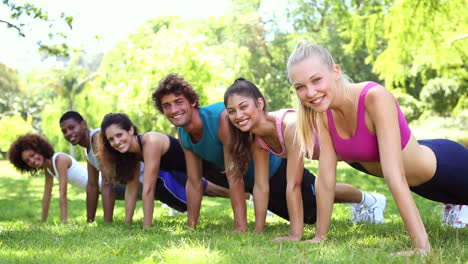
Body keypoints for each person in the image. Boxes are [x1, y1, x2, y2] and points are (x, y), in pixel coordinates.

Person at [287, 42, 468, 255]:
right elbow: (325, 181)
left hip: (451, 170)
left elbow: (395, 175)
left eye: (316, 80)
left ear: (336, 71)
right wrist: (320, 237)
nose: (310, 92)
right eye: (300, 87)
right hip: (426, 187)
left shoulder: (374, 97)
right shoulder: (324, 115)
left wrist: (421, 245)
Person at [152, 74, 384, 236]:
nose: (174, 110)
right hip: (258, 179)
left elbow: (235, 177)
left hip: (279, 168)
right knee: (307, 216)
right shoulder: (183, 136)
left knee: (316, 197)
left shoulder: (221, 120)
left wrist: (241, 227)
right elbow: (194, 182)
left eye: (178, 102)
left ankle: (368, 199)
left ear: (192, 101)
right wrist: (192, 226)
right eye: (167, 106)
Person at [224, 77, 386, 241]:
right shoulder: (258, 140)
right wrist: (258, 231)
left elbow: (293, 184)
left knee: (403, 173)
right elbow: (261, 187)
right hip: (339, 155)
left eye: (243, 107)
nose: (238, 115)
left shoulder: (289, 126)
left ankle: (373, 201)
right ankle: (372, 201)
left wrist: (295, 235)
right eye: (231, 111)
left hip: (353, 146)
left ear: (260, 103)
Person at [98, 113, 232, 227]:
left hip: (210, 163)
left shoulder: (150, 141)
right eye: (111, 139)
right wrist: (127, 223)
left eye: (119, 135)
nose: (116, 141)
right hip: (188, 171)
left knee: (242, 187)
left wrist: (147, 227)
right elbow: (131, 190)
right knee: (217, 189)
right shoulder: (132, 154)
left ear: (131, 130)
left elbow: (148, 189)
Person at [8, 133, 105, 222]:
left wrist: (64, 221)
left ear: (39, 149)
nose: (32, 161)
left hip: (104, 184)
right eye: (27, 161)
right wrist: (43, 221)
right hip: (99, 190)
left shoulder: (60, 159)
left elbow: (63, 194)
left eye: (32, 155)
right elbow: (47, 195)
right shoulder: (48, 168)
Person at [59, 111, 115, 222]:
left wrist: (107, 223)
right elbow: (92, 186)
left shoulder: (97, 138)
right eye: (64, 131)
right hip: (127, 185)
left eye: (71, 127)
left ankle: (108, 221)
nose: (68, 133)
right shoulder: (87, 148)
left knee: (106, 182)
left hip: (148, 180)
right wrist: (89, 221)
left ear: (83, 124)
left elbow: (107, 182)